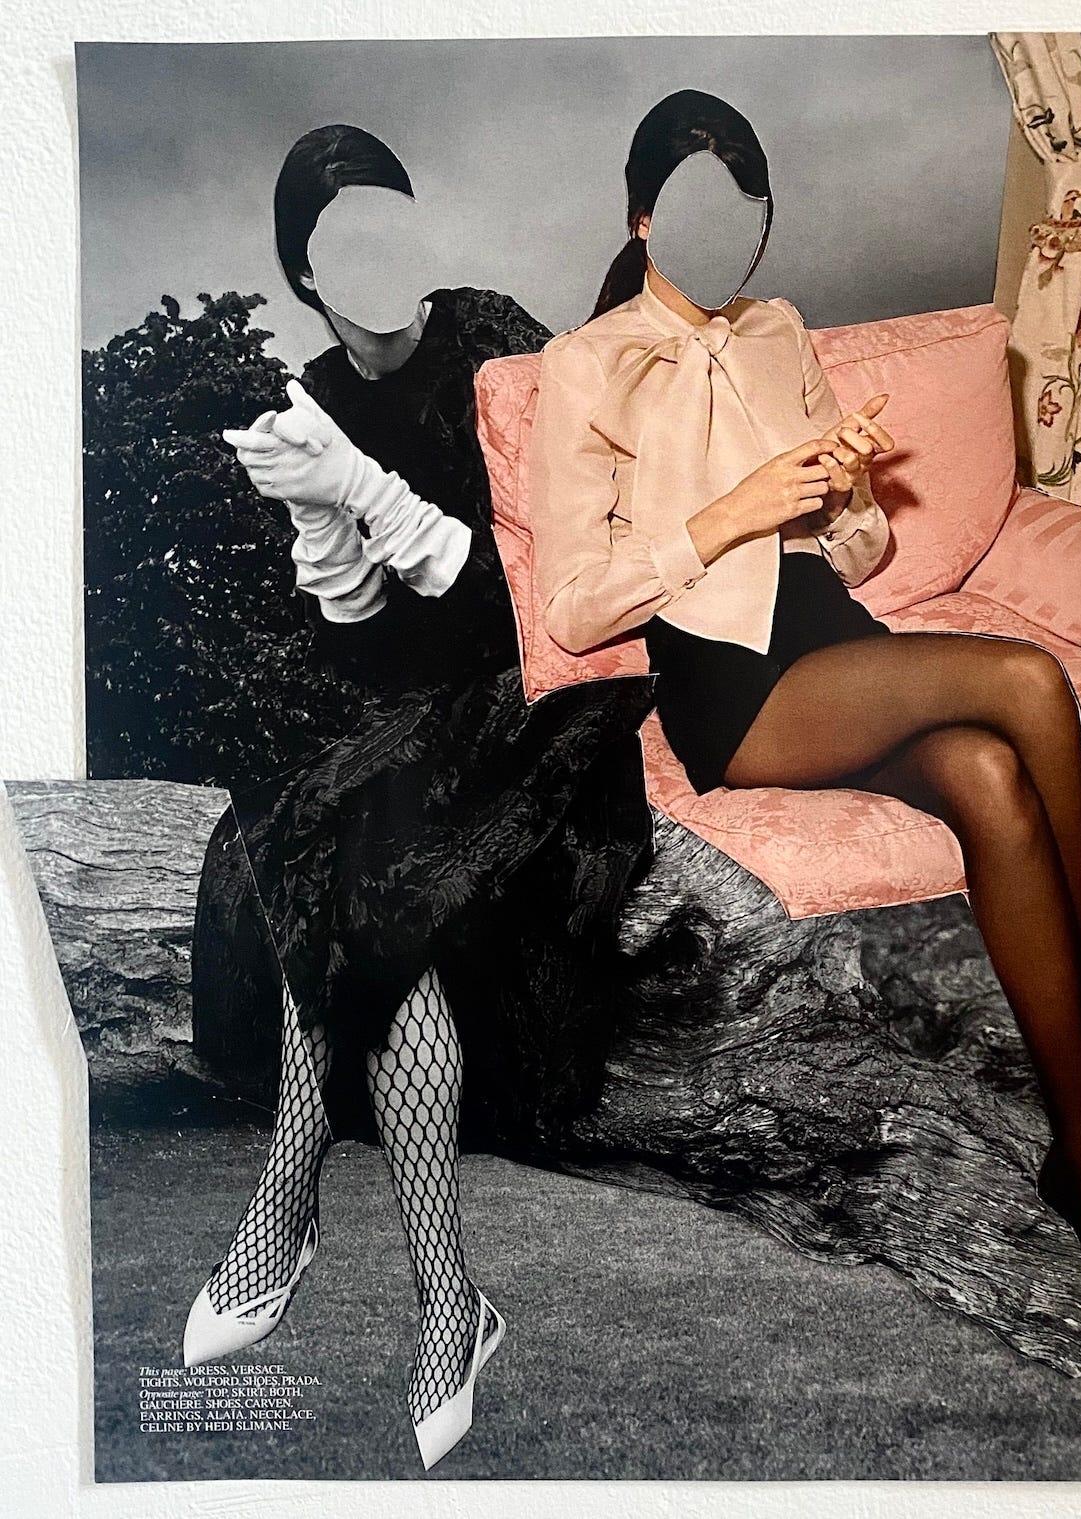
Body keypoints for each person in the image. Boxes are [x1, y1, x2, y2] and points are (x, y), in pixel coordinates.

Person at [528, 89, 1081, 1349]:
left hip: (835, 639)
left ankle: (1076, 1158)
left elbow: (862, 553)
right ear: (644, 218)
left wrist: (843, 498)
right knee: (1026, 681)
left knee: (990, 773)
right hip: (729, 680)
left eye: (748, 213)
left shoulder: (778, 329)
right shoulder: (587, 364)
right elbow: (571, 609)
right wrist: (730, 511)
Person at [184, 124, 655, 1470]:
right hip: (418, 730)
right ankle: (450, 1301)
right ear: (305, 273)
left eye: (395, 220)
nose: (382, 261)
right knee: (328, 841)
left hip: (549, 694)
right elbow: (363, 652)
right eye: (346, 241)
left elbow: (535, 581)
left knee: (364, 856)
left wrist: (359, 489)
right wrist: (321, 525)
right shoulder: (309, 401)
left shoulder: (489, 335)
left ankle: (290, 1193)